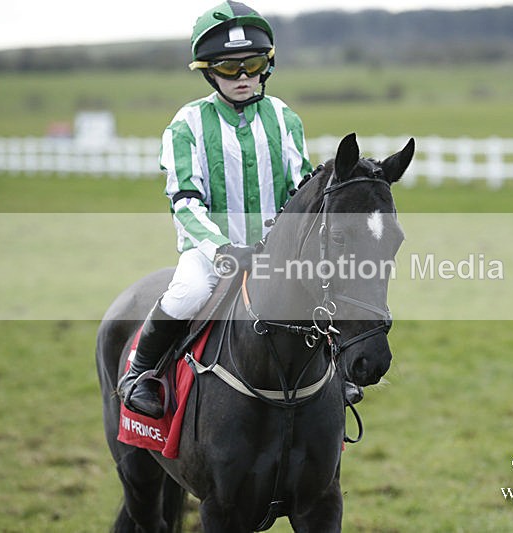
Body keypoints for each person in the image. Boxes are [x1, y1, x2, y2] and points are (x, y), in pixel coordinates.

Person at [118, 0, 313, 419]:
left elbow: (300, 190)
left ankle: (339, 377)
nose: (243, 76)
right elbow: (184, 201)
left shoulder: (284, 118)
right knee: (188, 291)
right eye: (228, 68)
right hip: (212, 253)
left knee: (323, 289)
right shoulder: (186, 123)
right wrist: (222, 248)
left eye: (253, 63)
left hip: (274, 251)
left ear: (268, 65)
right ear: (208, 71)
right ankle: (140, 373)